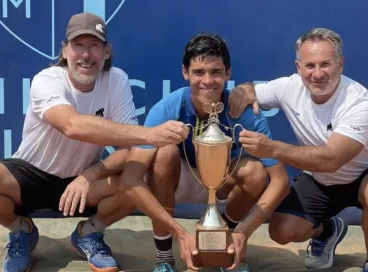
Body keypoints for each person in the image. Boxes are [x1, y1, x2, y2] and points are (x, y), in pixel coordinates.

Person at [0, 12, 188, 272]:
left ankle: (89, 233)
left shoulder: (117, 79)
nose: (86, 55)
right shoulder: (46, 80)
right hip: (29, 174)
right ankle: (21, 231)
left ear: (106, 52)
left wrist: (91, 173)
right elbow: (72, 125)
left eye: (94, 45)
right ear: (65, 51)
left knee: (137, 177)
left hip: (84, 180)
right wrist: (149, 134)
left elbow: (130, 150)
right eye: (78, 45)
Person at [227, 28, 368, 272]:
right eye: (310, 65)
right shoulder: (288, 87)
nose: (317, 74)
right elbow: (249, 90)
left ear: (341, 64)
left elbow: (332, 160)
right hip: (319, 179)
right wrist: (242, 91)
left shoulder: (361, 102)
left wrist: (271, 148)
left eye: (325, 64)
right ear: (298, 67)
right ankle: (329, 230)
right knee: (281, 230)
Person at [120, 33, 289, 272]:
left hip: (221, 180)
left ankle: (225, 243)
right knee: (165, 153)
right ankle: (164, 256)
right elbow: (130, 179)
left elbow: (281, 181)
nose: (207, 81)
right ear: (185, 73)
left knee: (255, 171)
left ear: (228, 74)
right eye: (199, 72)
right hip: (178, 179)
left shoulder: (245, 114)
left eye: (216, 72)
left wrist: (243, 232)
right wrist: (180, 233)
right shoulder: (169, 107)